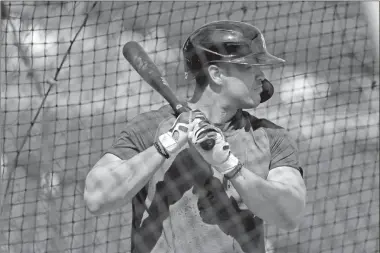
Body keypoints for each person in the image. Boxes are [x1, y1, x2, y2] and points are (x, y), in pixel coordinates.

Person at [84, 20, 307, 253]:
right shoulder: (151, 127)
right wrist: (165, 146)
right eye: (250, 67)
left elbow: (290, 214)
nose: (262, 76)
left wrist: (231, 167)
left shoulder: (271, 137)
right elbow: (95, 197)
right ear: (216, 74)